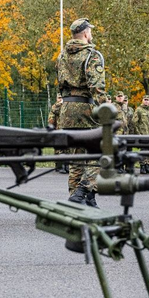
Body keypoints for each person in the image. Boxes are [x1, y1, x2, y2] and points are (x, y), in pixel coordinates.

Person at [56, 18, 105, 207]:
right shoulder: (92, 55)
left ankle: (82, 200)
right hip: (86, 109)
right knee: (98, 152)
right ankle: (82, 191)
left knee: (76, 156)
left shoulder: (62, 56)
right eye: (90, 31)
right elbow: (97, 87)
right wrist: (107, 111)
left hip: (67, 109)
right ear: (85, 33)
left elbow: (61, 84)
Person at [132, 96, 149, 174]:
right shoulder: (139, 110)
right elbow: (134, 122)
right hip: (143, 134)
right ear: (142, 100)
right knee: (144, 150)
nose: (146, 101)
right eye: (145, 100)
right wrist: (138, 133)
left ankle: (147, 166)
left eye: (148, 100)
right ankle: (142, 167)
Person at [47, 95, 68, 174]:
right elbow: (51, 119)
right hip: (58, 130)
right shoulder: (56, 106)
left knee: (68, 149)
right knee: (59, 150)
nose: (61, 99)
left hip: (66, 129)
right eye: (59, 98)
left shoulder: (67, 106)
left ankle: (67, 165)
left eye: (62, 98)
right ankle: (59, 166)